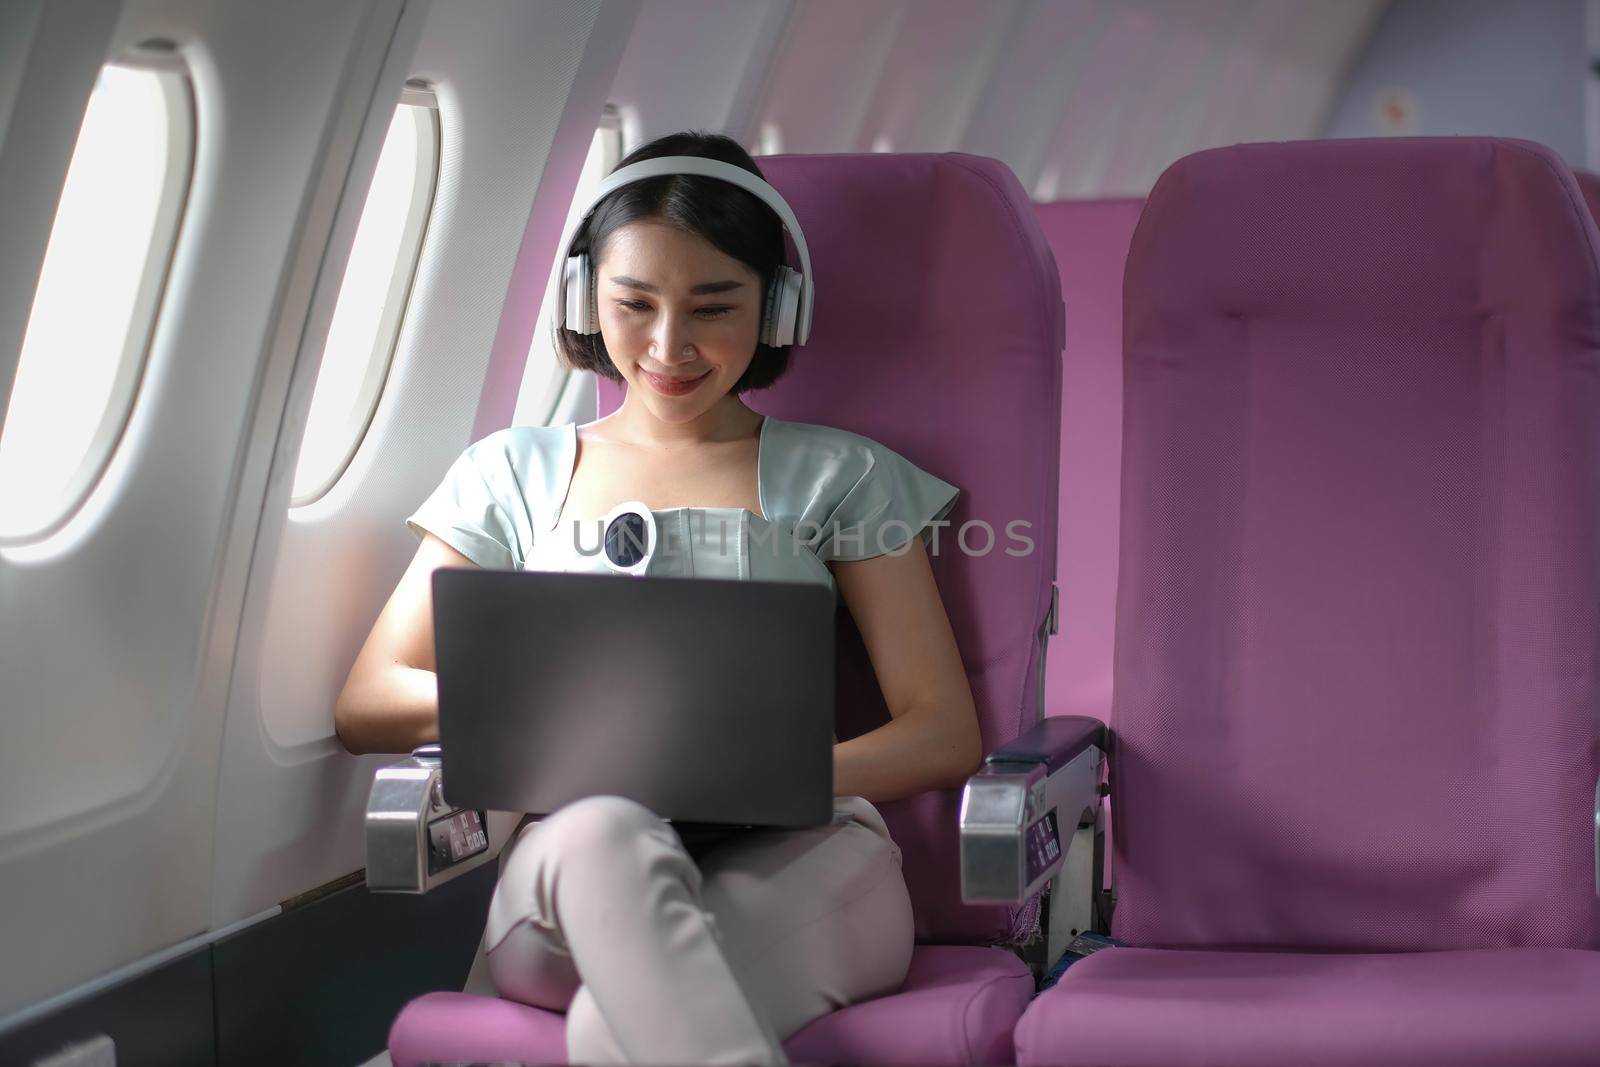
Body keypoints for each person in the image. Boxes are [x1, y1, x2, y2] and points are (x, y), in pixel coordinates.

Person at [333, 130, 983, 1065]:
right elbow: (369, 700)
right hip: (579, 861)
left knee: (615, 1024)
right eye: (633, 304)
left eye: (714, 306)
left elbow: (941, 729)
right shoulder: (509, 475)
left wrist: (746, 772)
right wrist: (574, 724)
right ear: (582, 301)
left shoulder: (840, 476)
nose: (668, 346)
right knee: (604, 830)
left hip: (808, 855)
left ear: (777, 311)